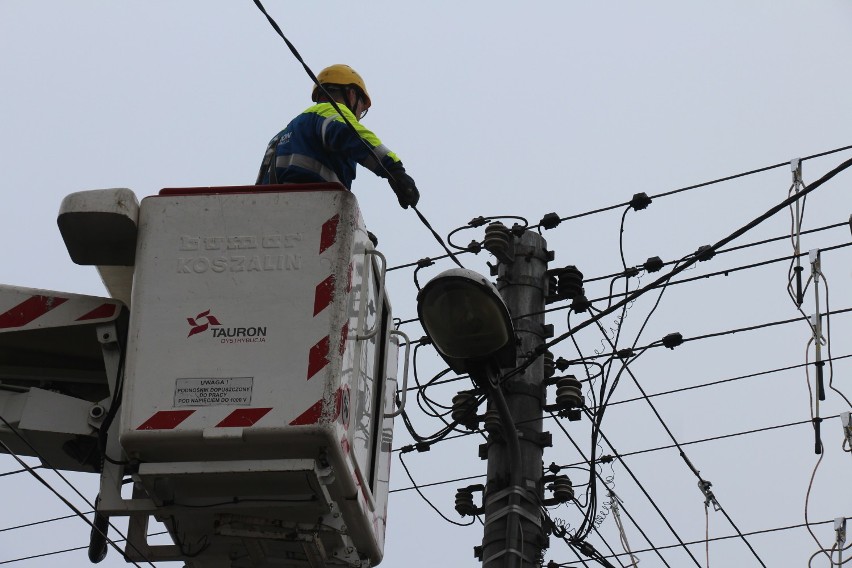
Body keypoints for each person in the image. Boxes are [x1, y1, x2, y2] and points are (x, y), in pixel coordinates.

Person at [256, 64, 420, 209]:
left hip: (275, 216)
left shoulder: (280, 136)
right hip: (312, 209)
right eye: (361, 109)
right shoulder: (328, 111)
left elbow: (257, 192)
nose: (357, 116)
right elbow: (355, 137)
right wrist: (395, 170)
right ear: (351, 95)